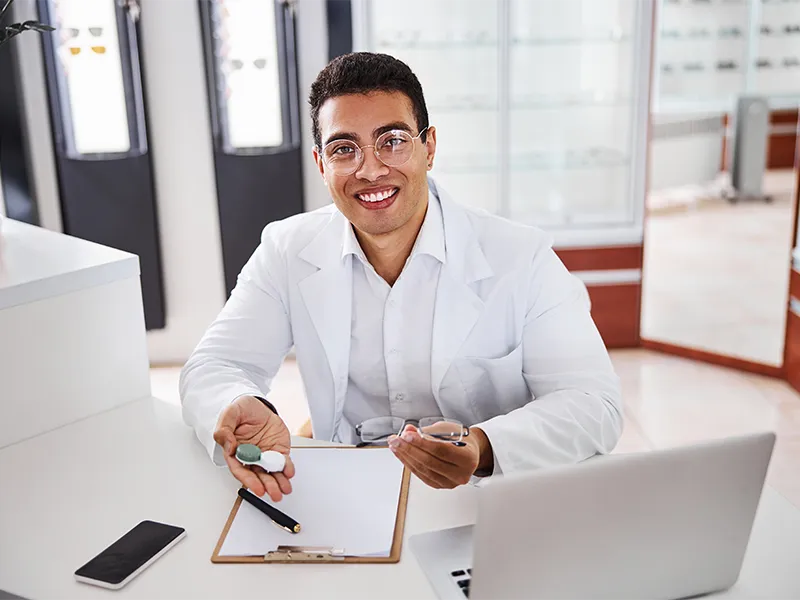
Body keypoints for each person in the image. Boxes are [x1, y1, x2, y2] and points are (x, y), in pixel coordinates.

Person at [180, 52, 622, 502]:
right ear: (320, 164)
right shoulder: (286, 250)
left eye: (392, 141)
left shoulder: (521, 257)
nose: (370, 170)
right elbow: (215, 365)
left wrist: (485, 447)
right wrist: (239, 403)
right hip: (350, 488)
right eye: (344, 149)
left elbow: (593, 404)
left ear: (428, 148)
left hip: (483, 493)